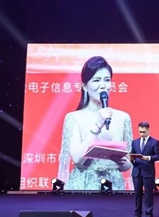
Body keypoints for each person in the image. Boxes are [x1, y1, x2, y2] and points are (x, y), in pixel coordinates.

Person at [57, 56, 133, 190]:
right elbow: (77, 159)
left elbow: (129, 165)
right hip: (83, 185)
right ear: (85, 86)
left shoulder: (123, 118)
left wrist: (122, 162)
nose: (103, 85)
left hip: (114, 186)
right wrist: (97, 125)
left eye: (107, 80)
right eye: (97, 80)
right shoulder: (73, 117)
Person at [129, 122, 159, 217]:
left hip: (148, 172)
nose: (142, 134)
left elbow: (158, 156)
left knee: (148, 195)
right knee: (137, 195)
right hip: (137, 172)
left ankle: (149, 215)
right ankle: (137, 215)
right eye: (140, 132)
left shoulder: (154, 142)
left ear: (148, 130)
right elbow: (132, 154)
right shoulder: (134, 142)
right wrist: (131, 159)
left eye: (144, 132)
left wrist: (148, 158)